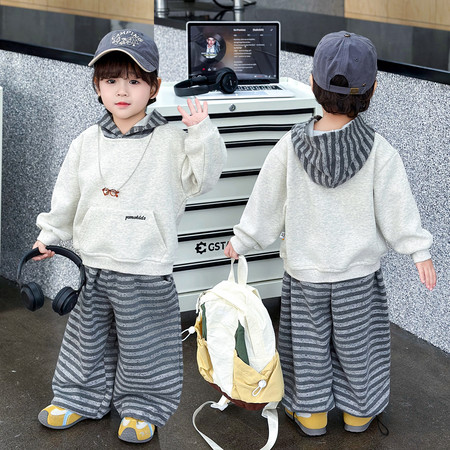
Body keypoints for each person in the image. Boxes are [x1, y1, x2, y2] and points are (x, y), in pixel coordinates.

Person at [224, 31, 436, 437]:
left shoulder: (290, 147)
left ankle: (311, 415)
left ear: (312, 83)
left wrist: (243, 240)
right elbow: (398, 207)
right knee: (360, 348)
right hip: (358, 276)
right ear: (373, 89)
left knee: (307, 349)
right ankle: (359, 414)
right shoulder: (379, 150)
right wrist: (418, 250)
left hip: (305, 275)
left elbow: (266, 202)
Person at [32, 29, 226, 444]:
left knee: (147, 345)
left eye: (135, 80)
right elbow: (66, 197)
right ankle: (77, 397)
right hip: (93, 263)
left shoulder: (172, 140)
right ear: (97, 87)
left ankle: (142, 407)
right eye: (111, 80)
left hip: (146, 264)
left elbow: (204, 179)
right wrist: (49, 235)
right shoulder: (86, 142)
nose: (122, 90)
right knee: (87, 340)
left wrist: (202, 134)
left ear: (154, 87)